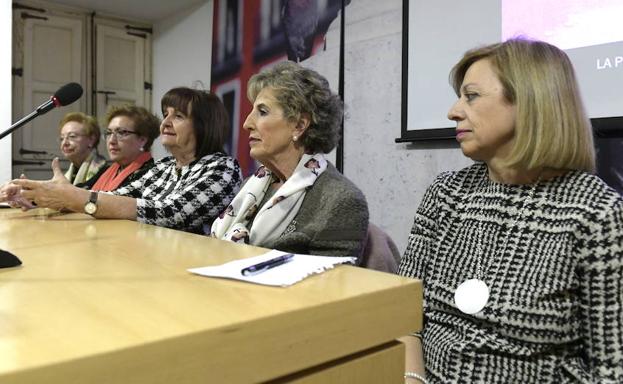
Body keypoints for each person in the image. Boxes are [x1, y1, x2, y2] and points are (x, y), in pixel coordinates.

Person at [399, 38, 623, 383]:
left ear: (530, 102)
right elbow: (405, 313)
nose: (453, 111)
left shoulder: (597, 212)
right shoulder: (445, 192)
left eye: (471, 96)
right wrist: (411, 378)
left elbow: (610, 369)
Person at [12, 87, 242, 234]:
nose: (166, 123)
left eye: (178, 116)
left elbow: (173, 213)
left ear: (204, 125)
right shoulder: (163, 167)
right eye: (166, 115)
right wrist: (34, 195)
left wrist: (76, 197)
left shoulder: (222, 167)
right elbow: (116, 196)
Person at [211, 61, 368, 257]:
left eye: (262, 112)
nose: (246, 124)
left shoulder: (340, 201)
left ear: (299, 126)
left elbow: (329, 285)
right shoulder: (250, 186)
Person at [82, 105, 159, 191]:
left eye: (121, 133)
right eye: (109, 133)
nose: (111, 141)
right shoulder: (107, 170)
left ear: (142, 140)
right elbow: (80, 190)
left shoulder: (150, 175)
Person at [58, 112, 107, 185]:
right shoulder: (67, 175)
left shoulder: (104, 173)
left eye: (72, 136)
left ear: (91, 140)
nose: (64, 143)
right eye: (62, 138)